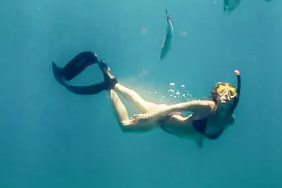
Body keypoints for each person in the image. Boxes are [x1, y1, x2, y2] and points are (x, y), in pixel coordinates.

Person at [52, 51, 240, 145]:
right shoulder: (206, 107)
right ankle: (108, 87)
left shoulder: (229, 121)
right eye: (221, 91)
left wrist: (198, 140)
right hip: (164, 119)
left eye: (230, 93)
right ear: (215, 96)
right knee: (126, 126)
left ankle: (112, 80)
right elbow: (174, 107)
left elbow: (200, 133)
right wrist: (149, 118)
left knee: (140, 101)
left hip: (169, 126)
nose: (225, 95)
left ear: (234, 100)